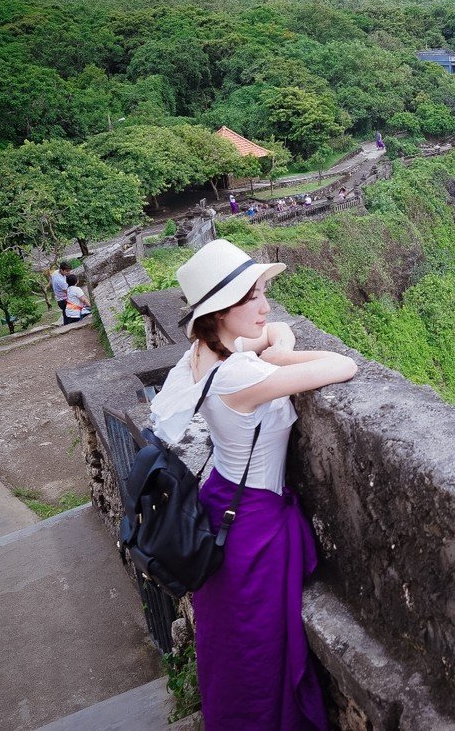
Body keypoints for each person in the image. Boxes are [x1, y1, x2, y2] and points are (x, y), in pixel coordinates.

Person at [148, 239, 355, 731]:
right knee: (256, 655)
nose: (265, 306)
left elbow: (275, 331)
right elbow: (344, 366)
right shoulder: (238, 374)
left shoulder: (207, 350)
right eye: (251, 297)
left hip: (224, 504)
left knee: (231, 648)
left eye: (263, 291)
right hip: (253, 525)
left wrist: (274, 347)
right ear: (220, 311)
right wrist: (281, 359)